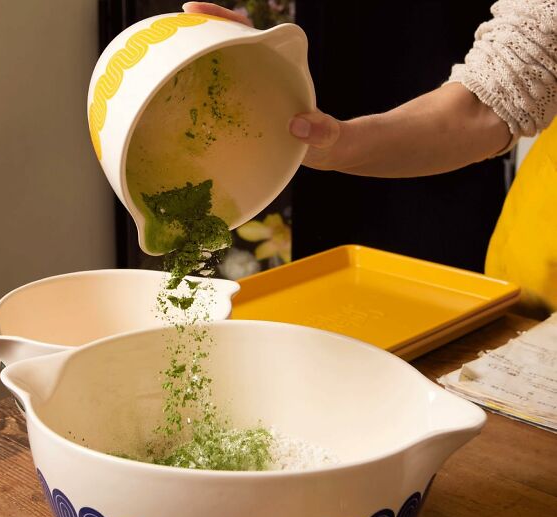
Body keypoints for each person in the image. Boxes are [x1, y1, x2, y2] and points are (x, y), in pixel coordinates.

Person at [184, 1, 557, 313]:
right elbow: (508, 80)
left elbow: (494, 102)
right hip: (532, 288)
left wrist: (340, 144)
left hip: (458, 214)